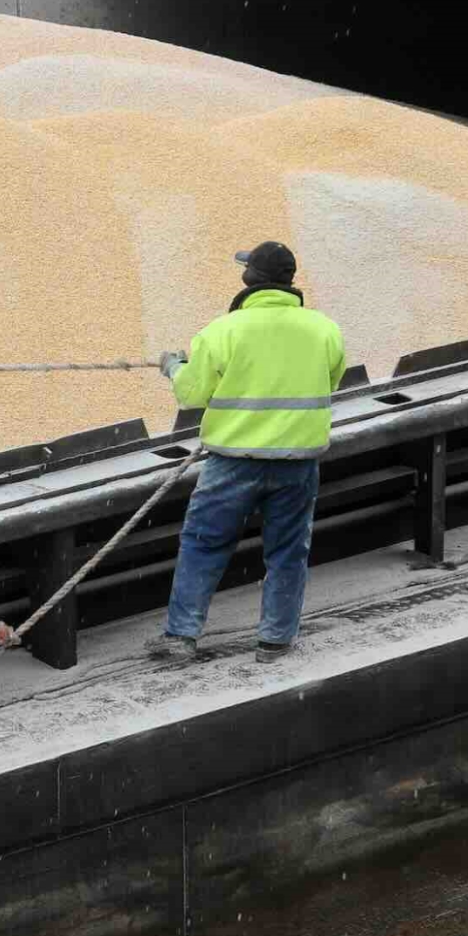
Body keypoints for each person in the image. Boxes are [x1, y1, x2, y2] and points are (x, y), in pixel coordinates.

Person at [151, 241, 346, 663]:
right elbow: (329, 383)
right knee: (288, 551)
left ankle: (180, 638)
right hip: (298, 463)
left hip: (232, 463)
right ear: (289, 282)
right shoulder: (324, 328)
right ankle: (275, 641)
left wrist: (173, 366)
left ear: (249, 280)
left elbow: (191, 394)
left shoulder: (221, 331)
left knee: (203, 545)